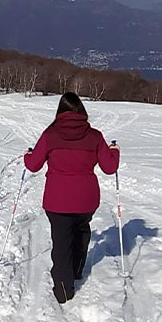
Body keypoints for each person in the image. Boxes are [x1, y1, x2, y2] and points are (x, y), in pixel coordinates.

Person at [24, 92, 120, 304]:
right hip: (86, 199)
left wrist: (27, 154)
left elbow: (33, 164)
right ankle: (76, 271)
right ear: (81, 111)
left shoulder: (50, 135)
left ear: (60, 112)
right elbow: (109, 167)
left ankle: (63, 289)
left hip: (57, 200)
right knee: (81, 231)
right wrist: (115, 151)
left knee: (62, 241)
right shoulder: (94, 136)